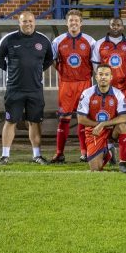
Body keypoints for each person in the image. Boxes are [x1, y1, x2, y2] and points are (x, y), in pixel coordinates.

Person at [0, 11, 53, 165]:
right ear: (19, 23)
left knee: (35, 122)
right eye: (24, 21)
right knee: (10, 121)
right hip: (15, 89)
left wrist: (35, 71)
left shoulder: (43, 40)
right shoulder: (9, 39)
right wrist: (13, 71)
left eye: (30, 21)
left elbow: (48, 60)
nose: (28, 24)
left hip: (35, 89)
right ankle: (5, 155)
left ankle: (37, 155)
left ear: (35, 22)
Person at [50, 9, 96, 163]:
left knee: (83, 118)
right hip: (66, 85)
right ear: (67, 22)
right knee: (64, 118)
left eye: (76, 20)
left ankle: (84, 152)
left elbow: (94, 63)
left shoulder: (90, 41)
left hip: (85, 84)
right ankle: (59, 153)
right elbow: (54, 60)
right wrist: (65, 73)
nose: (74, 23)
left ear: (81, 23)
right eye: (71, 20)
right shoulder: (58, 41)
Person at [92, 17, 126, 163]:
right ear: (109, 26)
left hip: (124, 87)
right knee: (106, 115)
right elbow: (96, 66)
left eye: (118, 25)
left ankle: (125, 153)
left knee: (125, 118)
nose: (115, 27)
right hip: (107, 88)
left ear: (122, 27)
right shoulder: (99, 44)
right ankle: (108, 147)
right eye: (113, 25)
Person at [77, 64, 126, 173]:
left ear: (111, 77)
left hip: (111, 130)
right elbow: (81, 119)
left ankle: (123, 163)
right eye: (100, 74)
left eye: (106, 74)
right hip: (94, 132)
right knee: (96, 169)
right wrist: (98, 125)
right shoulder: (87, 93)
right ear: (96, 77)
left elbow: (124, 117)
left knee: (123, 127)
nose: (103, 77)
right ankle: (109, 151)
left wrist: (103, 124)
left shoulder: (118, 94)